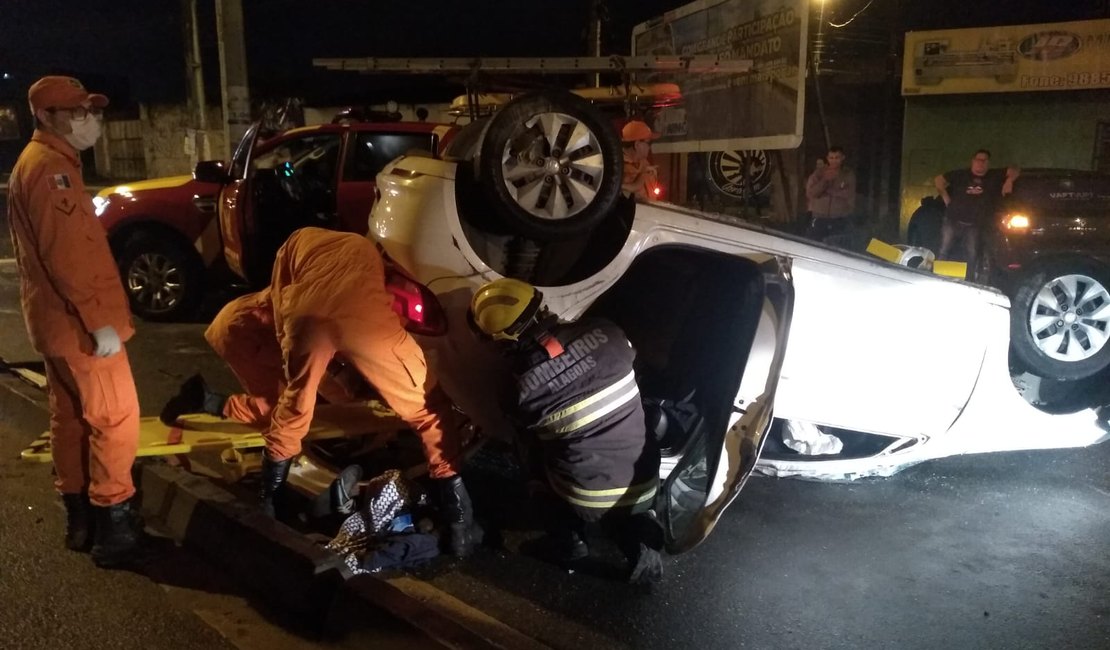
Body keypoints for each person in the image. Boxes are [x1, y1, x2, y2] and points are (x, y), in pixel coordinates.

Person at [164, 228, 479, 556]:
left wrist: (315, 372)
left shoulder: (299, 244)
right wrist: (355, 390)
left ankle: (269, 502)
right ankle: (458, 523)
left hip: (301, 322)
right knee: (427, 411)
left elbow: (294, 312)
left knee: (292, 409)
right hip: (248, 334)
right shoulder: (367, 256)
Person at [6, 76, 141, 567]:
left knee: (70, 420)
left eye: (92, 110)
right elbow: (67, 255)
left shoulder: (45, 164)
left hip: (55, 323)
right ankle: (115, 528)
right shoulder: (49, 170)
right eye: (78, 111)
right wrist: (99, 322)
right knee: (114, 419)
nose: (91, 119)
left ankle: (80, 519)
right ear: (46, 116)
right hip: (80, 325)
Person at [469, 278, 664, 584]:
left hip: (587, 496)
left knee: (528, 449)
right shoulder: (608, 331)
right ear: (541, 306)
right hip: (648, 476)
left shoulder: (515, 390)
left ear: (502, 340)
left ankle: (568, 542)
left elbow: (526, 429)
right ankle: (636, 535)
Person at [934, 149, 1019, 271]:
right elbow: (938, 180)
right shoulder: (961, 174)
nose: (982, 163)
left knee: (971, 254)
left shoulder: (993, 175)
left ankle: (969, 281)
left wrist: (1009, 181)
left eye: (985, 160)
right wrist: (945, 197)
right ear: (973, 161)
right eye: (979, 160)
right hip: (953, 219)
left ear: (988, 163)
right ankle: (937, 276)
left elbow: (1015, 169)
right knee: (944, 249)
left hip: (974, 224)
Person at [804, 146, 857, 244]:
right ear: (827, 158)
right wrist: (824, 180)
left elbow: (848, 194)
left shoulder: (848, 174)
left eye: (837, 158)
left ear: (842, 158)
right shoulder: (818, 173)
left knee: (837, 248)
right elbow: (811, 193)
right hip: (819, 219)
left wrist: (830, 191)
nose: (834, 161)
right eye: (831, 158)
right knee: (814, 247)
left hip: (839, 220)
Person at [621, 120, 660, 202]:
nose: (649, 147)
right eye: (648, 143)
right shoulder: (619, 167)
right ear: (637, 144)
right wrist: (643, 174)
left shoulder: (643, 162)